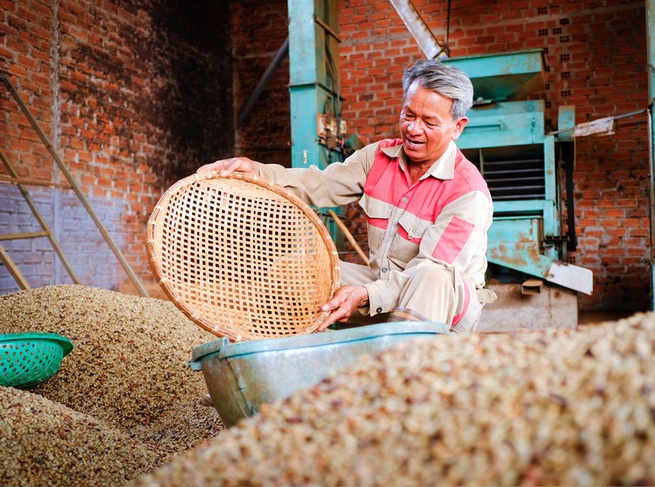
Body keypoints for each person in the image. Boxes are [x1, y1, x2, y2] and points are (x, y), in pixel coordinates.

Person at [197, 58, 493, 333]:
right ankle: (281, 363)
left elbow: (430, 271)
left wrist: (366, 294)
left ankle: (403, 380)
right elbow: (321, 183)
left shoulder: (467, 193)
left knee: (432, 276)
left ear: (457, 127)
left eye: (429, 122)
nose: (413, 129)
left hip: (439, 307)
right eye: (408, 114)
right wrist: (259, 172)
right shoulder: (378, 157)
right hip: (382, 286)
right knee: (295, 273)